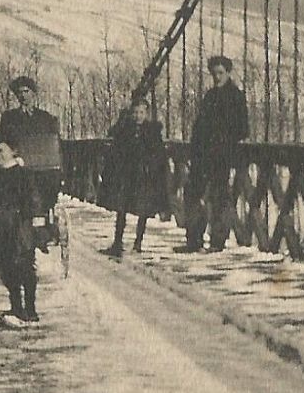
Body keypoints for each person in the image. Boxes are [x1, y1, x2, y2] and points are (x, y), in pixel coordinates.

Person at [176, 55, 249, 254]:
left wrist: (224, 140)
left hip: (222, 156)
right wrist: (195, 149)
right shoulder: (209, 96)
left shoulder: (236, 97)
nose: (217, 77)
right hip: (202, 155)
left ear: (228, 73)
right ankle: (194, 240)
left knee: (219, 198)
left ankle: (217, 242)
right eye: (214, 73)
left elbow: (243, 129)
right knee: (193, 194)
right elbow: (199, 126)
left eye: (220, 73)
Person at [0, 135, 45, 326]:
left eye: (1, 150)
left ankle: (31, 309)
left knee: (25, 267)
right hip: (0, 229)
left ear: (13, 151)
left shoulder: (24, 174)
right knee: (7, 269)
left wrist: (36, 225)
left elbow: (34, 200)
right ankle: (16, 306)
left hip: (20, 229)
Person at [100, 97, 168, 257]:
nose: (138, 116)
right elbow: (116, 146)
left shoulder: (152, 132)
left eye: (142, 112)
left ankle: (138, 243)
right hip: (128, 174)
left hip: (144, 175)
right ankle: (118, 242)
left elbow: (159, 154)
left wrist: (151, 166)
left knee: (143, 210)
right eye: (135, 112)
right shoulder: (125, 130)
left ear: (147, 114)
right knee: (121, 208)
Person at [0, 76, 62, 242]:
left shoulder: (46, 118)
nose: (23, 96)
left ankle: (44, 226)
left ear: (33, 94)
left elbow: (51, 142)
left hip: (41, 166)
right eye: (19, 93)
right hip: (19, 165)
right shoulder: (9, 117)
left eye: (26, 92)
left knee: (47, 188)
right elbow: (5, 141)